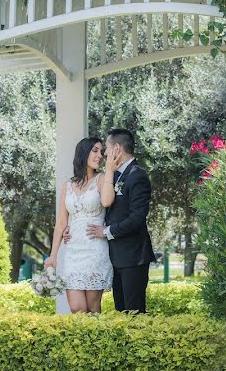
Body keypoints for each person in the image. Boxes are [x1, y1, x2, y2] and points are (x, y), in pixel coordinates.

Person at [85, 128, 156, 314]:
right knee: (120, 311)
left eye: (107, 148)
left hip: (134, 256)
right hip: (115, 256)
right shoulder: (112, 176)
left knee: (134, 312)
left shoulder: (138, 175)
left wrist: (106, 231)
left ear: (117, 149)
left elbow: (137, 218)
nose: (105, 153)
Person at [45, 137, 115, 313]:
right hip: (73, 251)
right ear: (83, 153)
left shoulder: (102, 179)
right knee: (77, 308)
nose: (100, 155)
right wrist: (53, 255)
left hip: (95, 249)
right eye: (95, 150)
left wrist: (109, 172)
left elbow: (107, 202)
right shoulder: (67, 186)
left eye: (101, 151)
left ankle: (97, 341)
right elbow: (61, 222)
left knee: (93, 308)